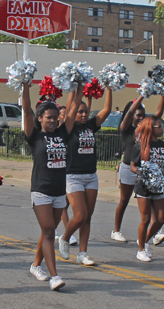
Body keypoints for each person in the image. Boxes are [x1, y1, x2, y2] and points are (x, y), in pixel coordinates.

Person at [24, 82, 82, 291]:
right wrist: (24, 87)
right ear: (39, 119)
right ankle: (54, 276)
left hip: (59, 192)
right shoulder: (34, 136)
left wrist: (79, 86)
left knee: (48, 231)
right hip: (40, 191)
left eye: (55, 117)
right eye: (48, 117)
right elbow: (25, 109)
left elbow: (73, 108)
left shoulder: (62, 133)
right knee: (49, 231)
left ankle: (35, 265)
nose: (52, 120)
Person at [58, 87, 112, 266]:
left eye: (85, 112)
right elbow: (70, 107)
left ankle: (82, 253)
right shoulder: (69, 127)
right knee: (80, 215)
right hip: (72, 176)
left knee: (87, 217)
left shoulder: (90, 126)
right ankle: (65, 238)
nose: (83, 114)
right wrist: (77, 87)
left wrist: (110, 87)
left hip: (91, 176)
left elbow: (107, 110)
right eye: (79, 111)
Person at [111, 96, 164, 243]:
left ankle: (156, 232)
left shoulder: (147, 129)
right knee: (124, 199)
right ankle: (116, 230)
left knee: (152, 198)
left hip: (146, 170)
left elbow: (159, 113)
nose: (141, 118)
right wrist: (142, 94)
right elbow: (129, 113)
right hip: (129, 168)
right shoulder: (126, 129)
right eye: (138, 115)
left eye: (143, 115)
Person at [129, 116, 164, 262]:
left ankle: (144, 241)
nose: (162, 129)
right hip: (143, 187)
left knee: (161, 219)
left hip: (158, 186)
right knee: (146, 218)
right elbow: (132, 166)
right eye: (159, 126)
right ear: (151, 128)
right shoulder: (140, 146)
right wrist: (143, 173)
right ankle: (141, 250)